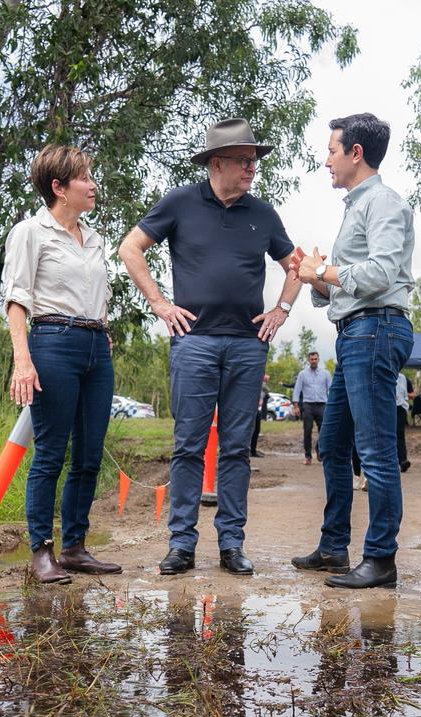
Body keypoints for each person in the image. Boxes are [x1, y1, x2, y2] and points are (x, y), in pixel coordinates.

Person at [119, 118, 299, 576]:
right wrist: (160, 304)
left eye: (254, 162)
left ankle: (231, 545)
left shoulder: (263, 213)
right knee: (188, 447)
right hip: (194, 343)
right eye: (243, 161)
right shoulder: (181, 201)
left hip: (247, 345)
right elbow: (130, 248)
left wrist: (281, 309)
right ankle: (181, 544)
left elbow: (296, 266)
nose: (251, 169)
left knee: (237, 449)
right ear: (217, 163)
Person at [291, 113, 415, 589]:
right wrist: (315, 277)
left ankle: (381, 558)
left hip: (376, 331)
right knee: (333, 443)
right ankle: (333, 546)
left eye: (331, 150)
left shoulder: (382, 202)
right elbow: (338, 293)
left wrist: (324, 273)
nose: (326, 161)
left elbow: (382, 275)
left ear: (355, 153)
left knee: (377, 451)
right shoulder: (356, 208)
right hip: (356, 332)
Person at [3, 145, 121, 584]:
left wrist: (102, 332)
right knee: (51, 455)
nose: (92, 185)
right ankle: (41, 552)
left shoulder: (94, 238)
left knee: (89, 455)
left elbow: (97, 296)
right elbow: (17, 299)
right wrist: (23, 360)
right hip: (52, 343)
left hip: (95, 345)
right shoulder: (30, 232)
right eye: (84, 178)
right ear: (58, 188)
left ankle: (75, 547)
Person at [293, 351, 332, 464]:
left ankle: (319, 450)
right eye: (312, 359)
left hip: (322, 405)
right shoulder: (302, 374)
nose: (313, 361)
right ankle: (308, 456)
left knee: (324, 431)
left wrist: (331, 405)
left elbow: (330, 390)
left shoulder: (326, 374)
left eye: (315, 359)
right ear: (309, 360)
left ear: (318, 360)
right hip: (308, 405)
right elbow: (297, 389)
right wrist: (296, 405)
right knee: (307, 431)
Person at [396, 371, 413, 472]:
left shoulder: (403, 378)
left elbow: (410, 394)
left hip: (401, 407)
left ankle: (403, 460)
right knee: (387, 435)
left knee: (400, 434)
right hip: (386, 407)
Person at [251, 373, 270, 457]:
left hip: (257, 409)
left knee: (256, 431)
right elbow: (267, 388)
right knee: (251, 431)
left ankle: (253, 451)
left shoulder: (263, 387)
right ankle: (248, 451)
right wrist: (263, 379)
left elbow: (267, 391)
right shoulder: (261, 384)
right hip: (251, 409)